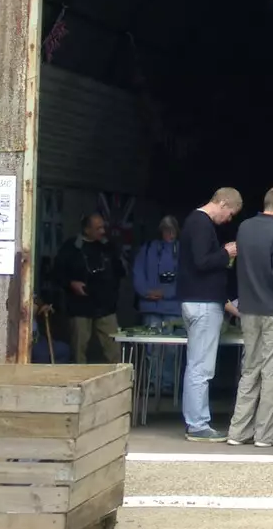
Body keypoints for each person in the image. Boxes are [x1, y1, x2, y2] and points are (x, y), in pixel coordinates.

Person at [226, 187, 273, 448]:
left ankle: (238, 431)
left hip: (249, 309)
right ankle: (266, 435)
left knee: (250, 370)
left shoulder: (244, 227)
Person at [177, 188, 241, 442]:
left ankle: (195, 420)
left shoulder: (194, 222)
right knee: (201, 368)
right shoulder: (201, 224)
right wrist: (227, 253)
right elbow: (202, 262)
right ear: (223, 203)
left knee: (196, 365)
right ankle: (197, 424)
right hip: (203, 305)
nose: (229, 219)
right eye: (230, 213)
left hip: (195, 302)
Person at [55, 213, 125, 365]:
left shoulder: (108, 247)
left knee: (113, 349)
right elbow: (56, 273)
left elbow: (120, 272)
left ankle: (115, 383)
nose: (102, 231)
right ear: (87, 230)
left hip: (105, 307)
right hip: (80, 307)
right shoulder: (71, 247)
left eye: (103, 227)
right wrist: (70, 283)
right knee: (79, 350)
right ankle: (80, 382)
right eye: (98, 228)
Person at [132, 216, 183, 395]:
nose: (169, 234)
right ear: (160, 231)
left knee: (171, 349)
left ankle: (168, 384)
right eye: (166, 230)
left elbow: (188, 279)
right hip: (150, 306)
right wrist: (147, 292)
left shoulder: (184, 252)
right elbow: (137, 274)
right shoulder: (147, 250)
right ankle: (153, 383)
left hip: (173, 308)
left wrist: (166, 293)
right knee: (151, 347)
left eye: (172, 231)